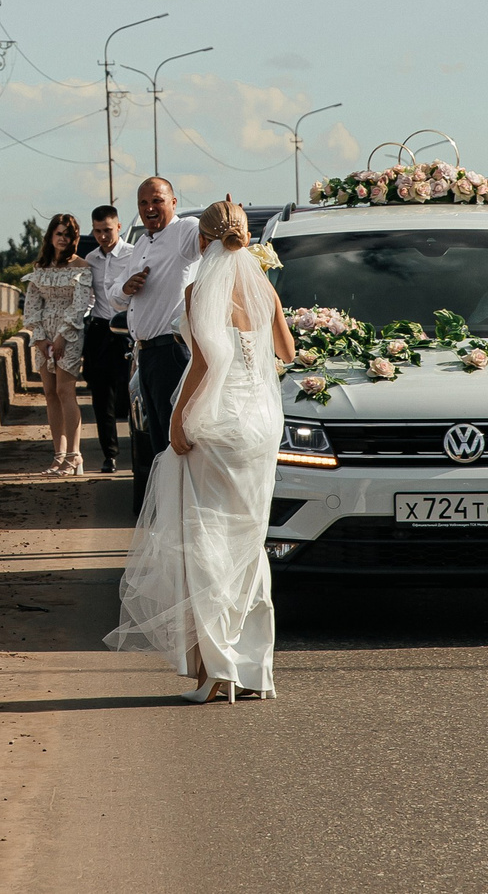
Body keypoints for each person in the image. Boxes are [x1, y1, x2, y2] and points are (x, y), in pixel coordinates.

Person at [105, 199, 289, 702]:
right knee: (248, 542)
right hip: (259, 426)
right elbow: (287, 353)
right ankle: (254, 669)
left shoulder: (198, 288)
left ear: (201, 240)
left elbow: (207, 362)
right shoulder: (263, 287)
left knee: (205, 540)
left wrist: (180, 421)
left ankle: (216, 671)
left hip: (216, 423)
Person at [122, 178, 202, 515]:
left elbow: (203, 239)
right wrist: (125, 287)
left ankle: (183, 514)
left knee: (177, 442)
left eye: (156, 201)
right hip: (145, 355)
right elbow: (113, 291)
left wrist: (225, 220)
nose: (150, 209)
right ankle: (170, 514)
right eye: (143, 203)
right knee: (157, 445)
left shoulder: (184, 231)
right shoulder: (140, 243)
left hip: (172, 352)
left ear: (173, 201)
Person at [18, 214, 94, 475]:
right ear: (51, 236)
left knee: (65, 390)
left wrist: (62, 336)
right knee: (49, 392)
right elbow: (32, 304)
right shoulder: (40, 268)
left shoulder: (81, 266)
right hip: (44, 334)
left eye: (68, 234)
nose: (63, 238)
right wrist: (39, 337)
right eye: (59, 233)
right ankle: (58, 455)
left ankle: (75, 456)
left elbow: (80, 305)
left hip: (69, 333)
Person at [80, 205, 139, 475]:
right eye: (98, 231)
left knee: (131, 396)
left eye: (108, 230)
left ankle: (138, 450)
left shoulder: (133, 255)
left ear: (119, 226)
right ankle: (109, 454)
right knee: (101, 396)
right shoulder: (89, 259)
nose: (103, 236)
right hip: (101, 330)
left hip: (129, 329)